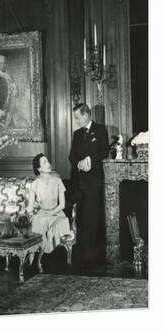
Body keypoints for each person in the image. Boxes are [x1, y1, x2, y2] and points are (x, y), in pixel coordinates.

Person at [68, 103, 109, 265]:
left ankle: (93, 254)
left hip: (94, 183)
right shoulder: (76, 134)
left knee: (93, 217)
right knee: (81, 218)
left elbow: (104, 151)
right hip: (79, 183)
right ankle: (82, 252)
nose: (76, 121)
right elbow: (71, 156)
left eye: (77, 117)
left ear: (86, 115)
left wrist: (90, 160)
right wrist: (79, 163)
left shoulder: (100, 130)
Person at [28, 153, 71, 271]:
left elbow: (62, 205)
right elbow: (30, 207)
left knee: (53, 224)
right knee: (38, 221)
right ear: (39, 168)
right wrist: (27, 214)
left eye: (48, 161)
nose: (48, 164)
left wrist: (51, 213)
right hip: (42, 214)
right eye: (44, 162)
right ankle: (34, 260)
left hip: (57, 213)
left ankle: (47, 259)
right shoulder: (34, 185)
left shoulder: (57, 181)